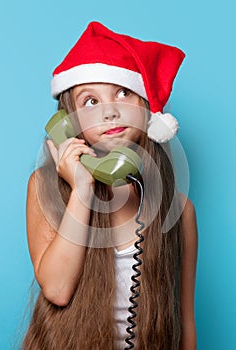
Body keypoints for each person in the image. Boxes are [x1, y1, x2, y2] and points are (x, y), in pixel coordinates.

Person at [23, 21, 198, 350]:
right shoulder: (44, 188)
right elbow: (57, 289)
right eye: (90, 101)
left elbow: (185, 323)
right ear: (68, 120)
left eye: (123, 91)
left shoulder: (179, 211)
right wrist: (82, 189)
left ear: (147, 107)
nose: (110, 111)